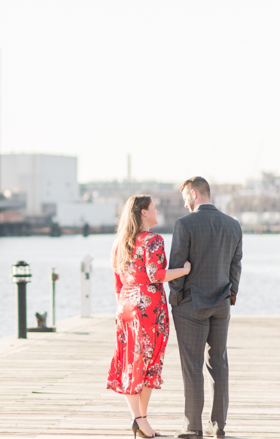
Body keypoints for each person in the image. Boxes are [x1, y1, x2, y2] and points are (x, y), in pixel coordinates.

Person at [107, 195, 191, 438]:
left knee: (132, 363)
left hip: (125, 305)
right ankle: (139, 419)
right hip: (149, 309)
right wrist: (184, 270)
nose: (157, 211)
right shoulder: (152, 240)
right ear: (143, 212)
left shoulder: (119, 243)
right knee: (146, 364)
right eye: (154, 208)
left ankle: (141, 420)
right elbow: (156, 275)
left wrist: (124, 308)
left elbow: (117, 283)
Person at [167, 177, 242, 438]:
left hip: (192, 305)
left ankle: (193, 427)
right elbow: (236, 263)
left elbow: (176, 268)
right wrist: (231, 294)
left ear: (195, 193)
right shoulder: (233, 225)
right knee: (219, 364)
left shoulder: (184, 224)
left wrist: (175, 299)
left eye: (185, 196)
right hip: (222, 304)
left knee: (192, 367)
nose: (184, 202)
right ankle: (219, 426)